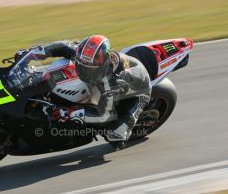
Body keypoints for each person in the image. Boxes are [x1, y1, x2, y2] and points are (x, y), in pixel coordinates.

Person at [16, 35, 151, 149]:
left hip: (140, 91)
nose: (82, 70)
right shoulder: (85, 56)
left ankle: (126, 129)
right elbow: (58, 47)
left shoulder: (109, 83)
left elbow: (104, 115)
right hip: (111, 80)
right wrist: (29, 55)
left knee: (115, 135)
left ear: (102, 65)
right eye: (81, 64)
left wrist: (71, 113)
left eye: (89, 69)